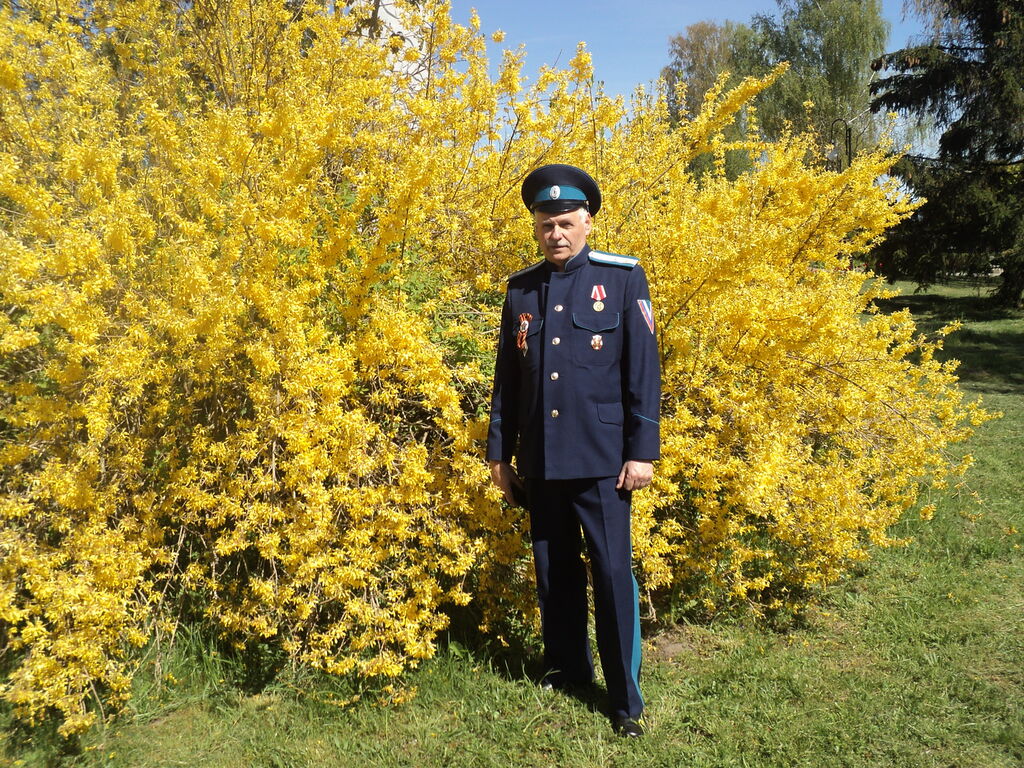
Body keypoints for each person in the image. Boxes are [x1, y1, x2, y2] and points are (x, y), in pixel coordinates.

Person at [486, 164, 661, 738]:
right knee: (553, 572)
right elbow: (507, 381)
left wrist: (642, 452)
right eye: (545, 224)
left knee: (612, 576)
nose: (555, 233)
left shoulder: (623, 278)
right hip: (542, 460)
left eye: (565, 222)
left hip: (605, 462)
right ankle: (566, 669)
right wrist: (499, 454)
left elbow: (642, 372)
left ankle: (624, 699)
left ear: (587, 221)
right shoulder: (521, 290)